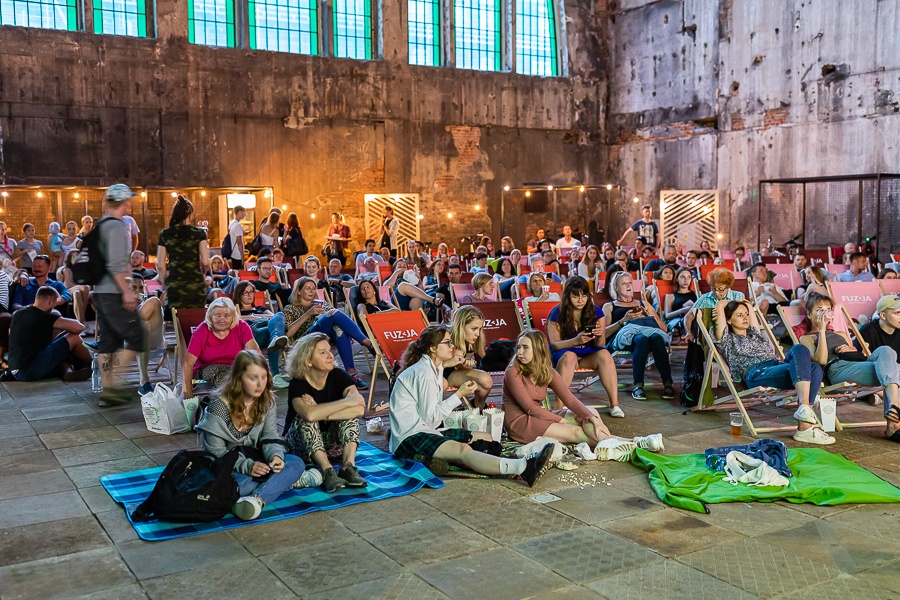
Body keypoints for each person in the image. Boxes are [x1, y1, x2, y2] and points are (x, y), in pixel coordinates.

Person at [389, 325, 554, 485]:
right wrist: (459, 395)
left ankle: (436, 459)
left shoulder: (433, 367)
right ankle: (523, 467)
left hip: (424, 429)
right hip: (409, 438)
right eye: (447, 342)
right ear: (433, 348)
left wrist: (450, 363)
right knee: (464, 450)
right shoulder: (424, 373)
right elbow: (431, 418)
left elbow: (429, 419)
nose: (452, 346)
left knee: (485, 437)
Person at [504, 330, 664, 455]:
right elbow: (530, 409)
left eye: (525, 348)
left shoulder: (547, 372)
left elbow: (570, 399)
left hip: (538, 415)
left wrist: (593, 419)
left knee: (590, 412)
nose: (520, 352)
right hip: (520, 422)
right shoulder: (513, 372)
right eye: (519, 347)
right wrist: (562, 421)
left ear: (538, 350)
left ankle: (616, 444)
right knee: (574, 431)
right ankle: (633, 444)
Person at [196, 351, 309, 521]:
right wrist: (248, 466)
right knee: (232, 486)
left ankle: (256, 501)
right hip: (227, 468)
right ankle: (282, 483)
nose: (260, 384)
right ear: (239, 378)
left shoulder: (267, 401)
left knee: (296, 463)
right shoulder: (218, 406)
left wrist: (275, 456)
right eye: (253, 378)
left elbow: (269, 436)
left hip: (258, 460)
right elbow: (215, 453)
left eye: (264, 377)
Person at [713, 298, 834, 444]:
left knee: (803, 352)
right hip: (756, 372)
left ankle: (804, 411)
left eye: (745, 314)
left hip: (776, 365)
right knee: (811, 366)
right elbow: (720, 306)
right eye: (739, 315)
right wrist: (725, 303)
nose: (745, 318)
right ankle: (805, 425)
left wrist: (746, 305)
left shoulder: (754, 333)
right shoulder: (727, 340)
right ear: (729, 321)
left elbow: (751, 309)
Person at [799, 294, 900, 442]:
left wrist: (851, 349)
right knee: (895, 371)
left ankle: (893, 406)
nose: (825, 313)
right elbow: (821, 360)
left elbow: (857, 356)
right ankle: (893, 423)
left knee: (886, 350)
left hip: (857, 364)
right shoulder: (807, 338)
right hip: (838, 368)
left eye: (828, 309)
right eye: (820, 310)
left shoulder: (840, 334)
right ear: (809, 314)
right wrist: (821, 330)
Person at [283, 333, 368, 492]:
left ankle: (348, 467)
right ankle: (327, 470)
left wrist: (323, 413)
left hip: (331, 445)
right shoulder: (298, 384)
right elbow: (309, 415)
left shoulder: (338, 376)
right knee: (305, 420)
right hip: (300, 445)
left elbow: (359, 408)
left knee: (350, 416)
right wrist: (345, 402)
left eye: (329, 351)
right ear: (308, 360)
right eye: (322, 352)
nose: (330, 356)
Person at [86, 185, 145, 405]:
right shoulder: (118, 227)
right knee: (138, 335)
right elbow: (116, 264)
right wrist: (127, 292)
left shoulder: (101, 224)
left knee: (108, 341)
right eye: (128, 200)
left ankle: (108, 390)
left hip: (101, 291)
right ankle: (116, 382)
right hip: (113, 291)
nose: (130, 203)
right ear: (123, 202)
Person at [547, 276, 623, 416]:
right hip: (564, 356)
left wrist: (600, 334)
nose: (580, 300)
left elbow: (601, 346)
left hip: (588, 354)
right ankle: (558, 405)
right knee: (570, 356)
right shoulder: (557, 313)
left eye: (584, 296)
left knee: (605, 355)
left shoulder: (596, 312)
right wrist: (576, 341)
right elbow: (555, 345)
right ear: (568, 296)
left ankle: (614, 405)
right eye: (575, 296)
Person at [283, 277, 376, 388]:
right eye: (308, 288)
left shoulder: (322, 304)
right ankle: (368, 343)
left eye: (313, 288)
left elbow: (337, 319)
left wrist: (323, 316)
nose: (311, 291)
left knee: (338, 328)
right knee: (333, 312)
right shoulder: (290, 308)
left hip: (325, 337)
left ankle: (352, 373)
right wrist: (308, 313)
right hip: (305, 341)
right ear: (298, 291)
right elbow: (288, 334)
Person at [603, 271, 675, 400]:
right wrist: (623, 320)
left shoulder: (643, 304)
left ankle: (668, 383)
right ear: (616, 288)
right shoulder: (610, 306)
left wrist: (650, 316)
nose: (628, 285)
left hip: (647, 336)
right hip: (624, 338)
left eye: (630, 282)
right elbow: (604, 334)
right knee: (641, 338)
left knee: (656, 337)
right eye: (624, 283)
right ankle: (638, 385)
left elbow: (663, 328)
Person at [8, 286, 91, 382]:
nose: (53, 308)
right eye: (54, 304)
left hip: (16, 371)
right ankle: (94, 365)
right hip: (29, 371)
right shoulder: (43, 316)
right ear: (51, 301)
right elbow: (79, 327)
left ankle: (68, 372)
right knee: (74, 337)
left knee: (59, 347)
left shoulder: (18, 313)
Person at [183, 297, 260, 398]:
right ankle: (238, 405)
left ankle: (225, 405)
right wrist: (187, 393)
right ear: (210, 316)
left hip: (234, 369)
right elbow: (187, 363)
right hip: (206, 369)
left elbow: (256, 354)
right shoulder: (202, 330)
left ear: (233, 316)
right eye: (217, 315)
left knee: (224, 377)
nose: (222, 319)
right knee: (227, 373)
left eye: (226, 315)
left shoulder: (242, 327)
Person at [232, 281, 289, 388]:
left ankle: (275, 376)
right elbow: (237, 320)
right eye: (245, 293)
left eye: (251, 292)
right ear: (239, 295)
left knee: (280, 315)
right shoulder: (235, 311)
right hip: (251, 336)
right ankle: (275, 374)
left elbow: (274, 317)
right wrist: (257, 317)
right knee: (274, 329)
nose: (249, 295)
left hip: (265, 332)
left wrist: (254, 316)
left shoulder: (261, 308)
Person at [157, 196, 209, 310]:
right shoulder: (199, 233)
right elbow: (205, 261)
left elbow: (160, 265)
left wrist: (165, 282)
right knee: (196, 320)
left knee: (177, 320)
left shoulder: (165, 234)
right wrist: (204, 273)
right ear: (190, 214)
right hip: (196, 285)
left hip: (175, 285)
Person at [444, 305, 494, 408]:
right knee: (482, 381)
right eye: (474, 329)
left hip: (454, 373)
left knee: (486, 381)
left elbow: (460, 369)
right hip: (442, 374)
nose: (478, 334)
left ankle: (478, 405)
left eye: (479, 329)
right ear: (461, 326)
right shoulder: (446, 339)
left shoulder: (470, 341)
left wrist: (467, 364)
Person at [683, 268, 745, 343]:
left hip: (735, 336)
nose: (717, 293)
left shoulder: (738, 296)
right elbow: (688, 317)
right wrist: (688, 332)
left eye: (720, 289)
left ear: (728, 286)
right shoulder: (705, 298)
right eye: (713, 288)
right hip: (712, 338)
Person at [130, 275, 166, 396]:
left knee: (155, 302)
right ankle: (144, 380)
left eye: (141, 287)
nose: (138, 290)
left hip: (152, 340)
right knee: (143, 325)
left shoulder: (150, 305)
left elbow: (161, 327)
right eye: (134, 287)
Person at [56, 250, 91, 332]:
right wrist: (79, 286)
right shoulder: (66, 270)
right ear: (69, 258)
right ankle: (84, 322)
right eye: (73, 256)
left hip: (77, 291)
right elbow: (67, 286)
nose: (75, 258)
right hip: (66, 291)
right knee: (84, 287)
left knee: (77, 293)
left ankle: (81, 322)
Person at [664, 267, 697, 335]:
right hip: (679, 320)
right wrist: (682, 310)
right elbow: (667, 315)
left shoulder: (696, 294)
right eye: (683, 277)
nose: (686, 280)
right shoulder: (670, 296)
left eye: (689, 277)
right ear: (676, 279)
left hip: (695, 317)